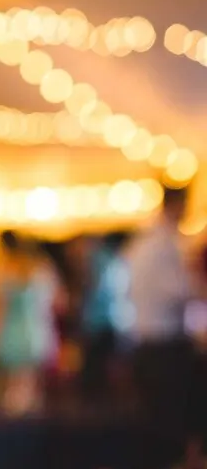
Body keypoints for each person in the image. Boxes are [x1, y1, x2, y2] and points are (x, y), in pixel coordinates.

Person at [126, 185, 194, 433]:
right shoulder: (165, 244)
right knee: (169, 424)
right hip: (164, 348)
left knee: (152, 424)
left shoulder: (142, 241)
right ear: (176, 204)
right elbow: (179, 291)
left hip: (145, 345)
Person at [0, 232, 60, 415]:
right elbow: (56, 302)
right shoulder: (42, 269)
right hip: (35, 330)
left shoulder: (7, 269)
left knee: (17, 383)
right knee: (31, 383)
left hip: (15, 330)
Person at [80, 232, 133, 402]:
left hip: (100, 320)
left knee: (98, 364)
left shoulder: (102, 260)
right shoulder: (110, 261)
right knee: (100, 364)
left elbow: (97, 289)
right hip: (105, 319)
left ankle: (96, 400)